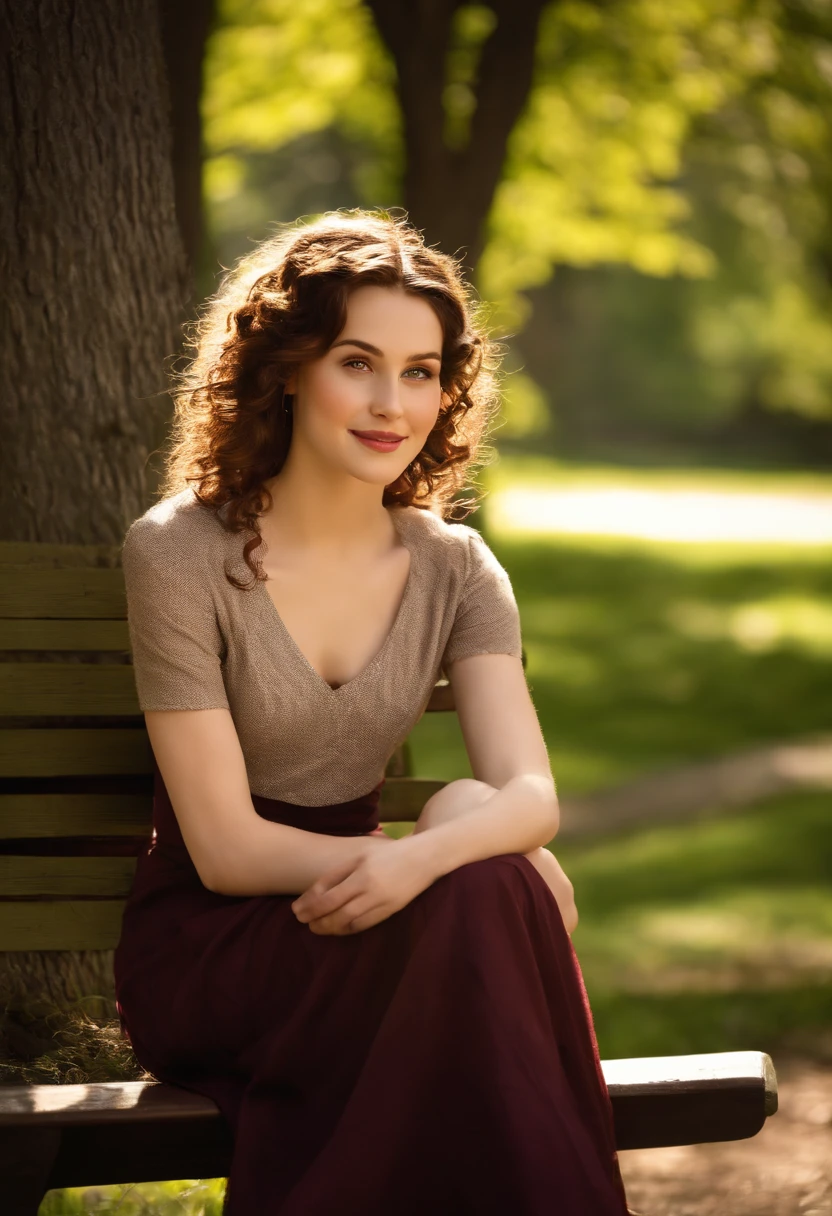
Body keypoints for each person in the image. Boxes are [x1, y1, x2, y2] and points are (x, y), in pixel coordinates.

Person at [113, 208, 631, 1215]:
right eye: (358, 362)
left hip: (390, 915)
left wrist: (430, 854)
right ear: (288, 366)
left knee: (482, 866)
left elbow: (530, 794)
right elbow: (224, 850)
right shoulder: (175, 553)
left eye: (421, 371)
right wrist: (454, 864)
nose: (392, 403)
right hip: (225, 945)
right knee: (497, 891)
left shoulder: (456, 567)